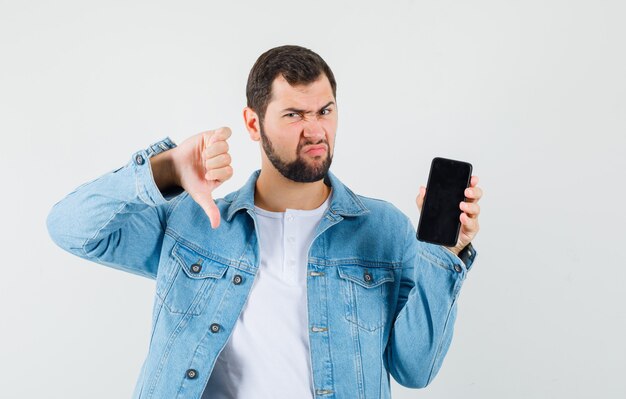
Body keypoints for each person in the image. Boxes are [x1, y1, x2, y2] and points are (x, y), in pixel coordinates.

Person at [46, 44, 483, 399]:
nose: (315, 131)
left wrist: (443, 254)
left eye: (325, 112)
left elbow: (416, 369)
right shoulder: (193, 223)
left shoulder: (383, 228)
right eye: (294, 115)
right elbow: (70, 227)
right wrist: (164, 170)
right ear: (253, 124)